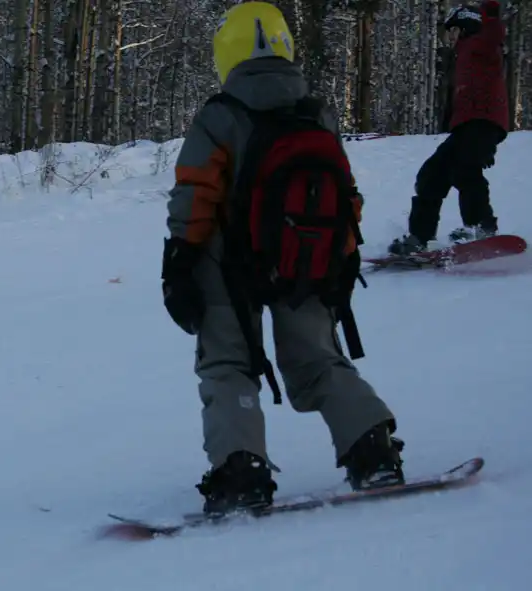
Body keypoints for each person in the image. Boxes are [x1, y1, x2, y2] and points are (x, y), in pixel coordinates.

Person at [160, 1, 404, 515]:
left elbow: (195, 194)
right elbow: (344, 193)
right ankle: (372, 447)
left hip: (227, 266)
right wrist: (342, 256)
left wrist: (179, 260)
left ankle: (241, 472)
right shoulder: (318, 113)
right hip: (305, 259)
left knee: (228, 365)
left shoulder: (220, 115)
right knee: (318, 359)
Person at [389, 1, 508, 256]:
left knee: (465, 170)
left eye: (452, 30)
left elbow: (494, 34)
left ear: (465, 26)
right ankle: (420, 236)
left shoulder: (481, 45)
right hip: (465, 127)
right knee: (431, 175)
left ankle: (480, 226)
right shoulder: (463, 54)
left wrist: (490, 12)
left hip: (482, 123)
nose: (450, 37)